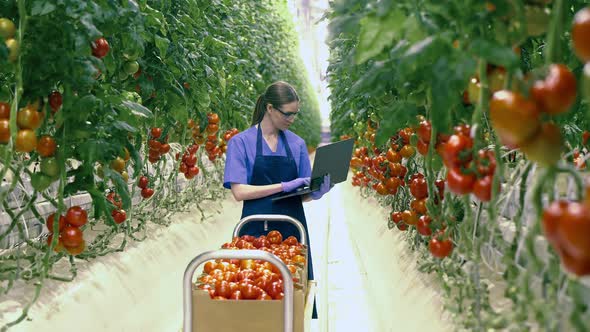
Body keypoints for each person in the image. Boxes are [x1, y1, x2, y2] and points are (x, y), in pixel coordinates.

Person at [223, 81, 330, 318]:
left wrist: (315, 191)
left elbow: (302, 192)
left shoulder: (297, 144)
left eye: (295, 114)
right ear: (270, 108)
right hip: (253, 230)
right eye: (287, 113)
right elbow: (239, 192)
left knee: (292, 298)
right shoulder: (240, 143)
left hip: (292, 229)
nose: (292, 119)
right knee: (253, 292)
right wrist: (283, 185)